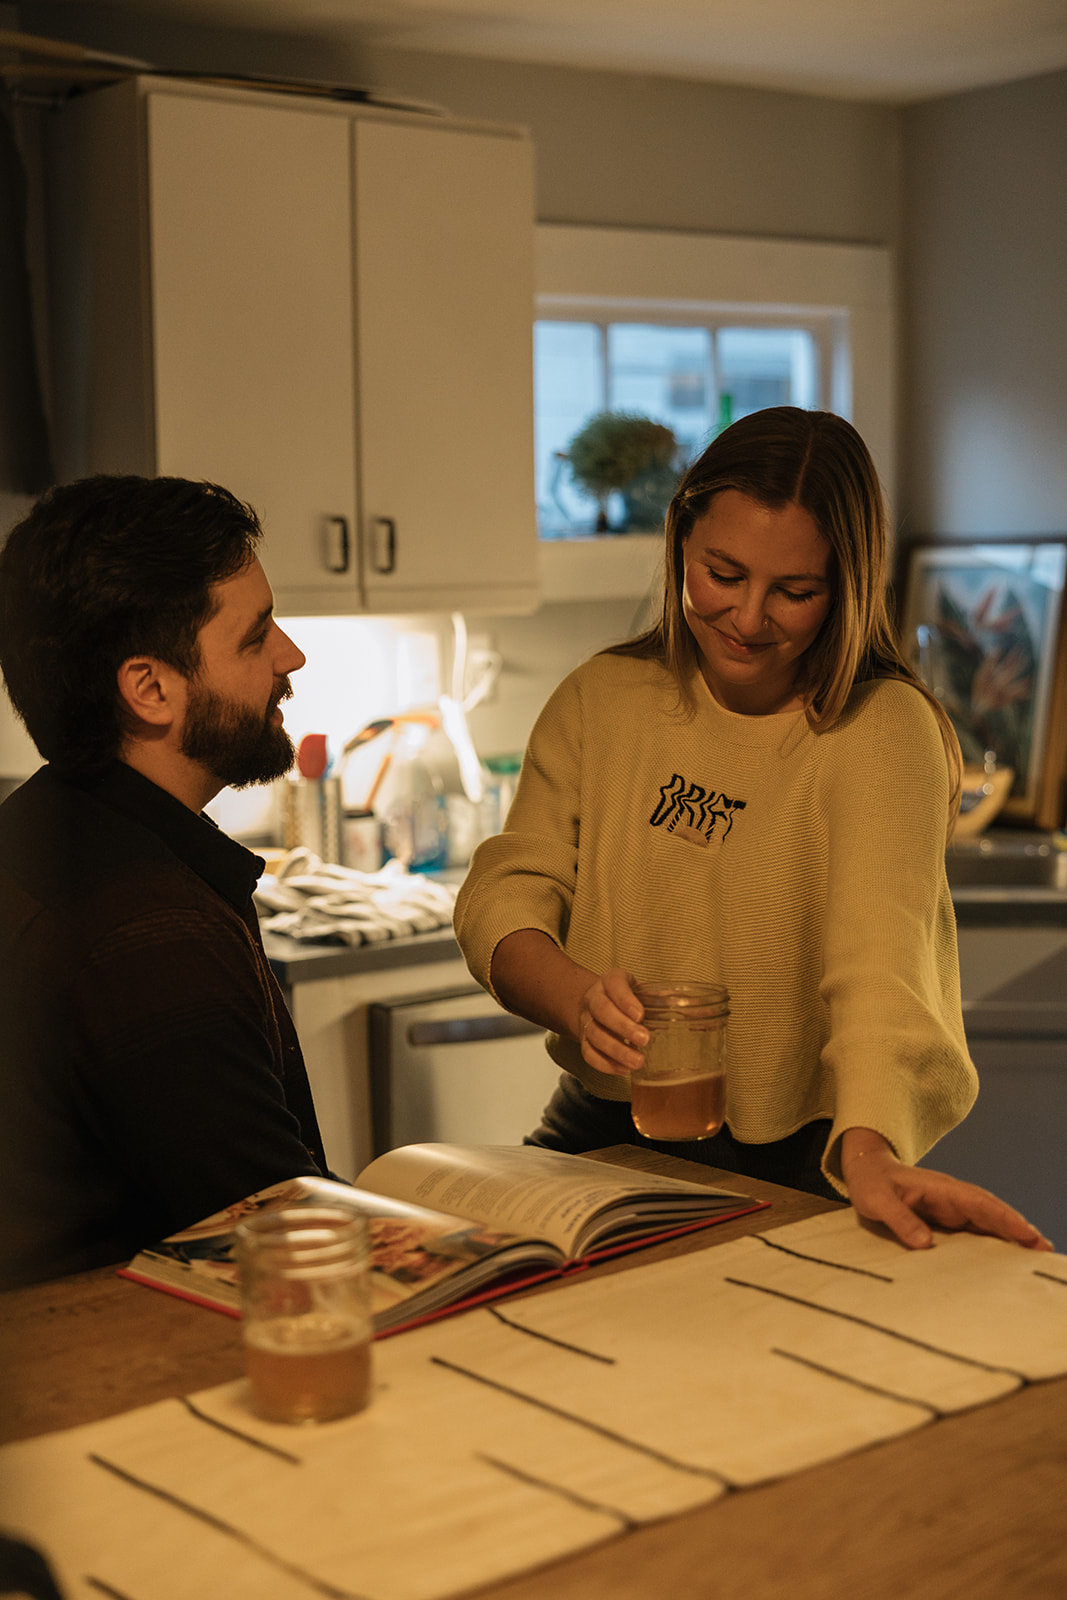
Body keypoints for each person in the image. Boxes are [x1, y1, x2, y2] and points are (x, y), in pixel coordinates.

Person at [455, 407, 1052, 1253]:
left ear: (846, 585)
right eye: (721, 574)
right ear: (679, 542)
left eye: (794, 592)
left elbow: (880, 967)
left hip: (802, 1154)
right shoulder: (603, 699)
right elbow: (506, 890)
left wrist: (870, 1147)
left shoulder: (881, 731)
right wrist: (571, 994)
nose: (746, 617)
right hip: (603, 1130)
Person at [0, 474, 329, 1288]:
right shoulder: (145, 935)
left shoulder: (41, 830)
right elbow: (279, 1235)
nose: (290, 655)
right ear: (150, 690)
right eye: (255, 638)